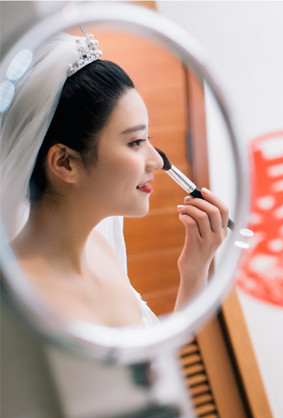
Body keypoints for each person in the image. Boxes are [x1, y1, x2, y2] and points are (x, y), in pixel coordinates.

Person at [0, 31, 228, 326]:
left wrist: (194, 270)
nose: (157, 161)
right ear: (65, 162)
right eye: (135, 142)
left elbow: (158, 356)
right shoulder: (23, 302)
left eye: (148, 139)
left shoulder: (98, 248)